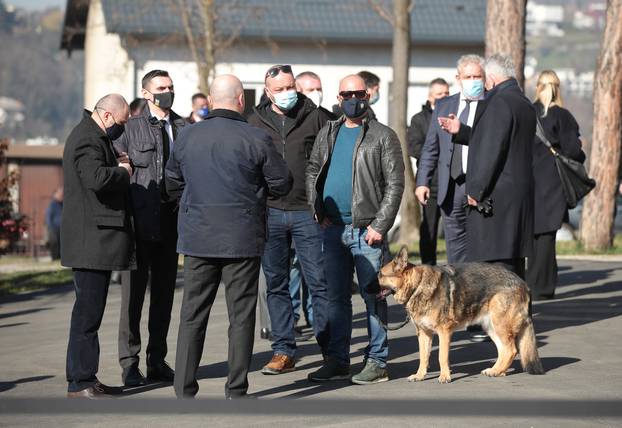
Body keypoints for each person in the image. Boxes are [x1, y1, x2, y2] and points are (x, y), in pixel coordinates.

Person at [166, 75, 292, 399]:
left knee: (192, 315)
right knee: (241, 316)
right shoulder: (256, 137)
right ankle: (236, 389)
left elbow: (171, 183)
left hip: (198, 237)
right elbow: (282, 183)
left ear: (209, 100)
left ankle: (183, 388)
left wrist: (193, 205)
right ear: (241, 101)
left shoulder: (186, 136)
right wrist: (256, 196)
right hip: (242, 236)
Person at [306, 74, 405, 384]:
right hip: (332, 229)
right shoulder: (329, 132)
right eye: (347, 94)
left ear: (368, 95)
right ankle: (338, 359)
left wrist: (380, 225)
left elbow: (396, 184)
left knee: (374, 296)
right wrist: (316, 210)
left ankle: (377, 361)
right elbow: (312, 171)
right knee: (336, 297)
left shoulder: (383, 136)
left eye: (358, 93)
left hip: (367, 231)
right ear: (339, 98)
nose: (352, 99)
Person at [248, 64, 332, 375]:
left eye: (290, 87)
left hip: (307, 213)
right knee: (276, 284)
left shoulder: (317, 116)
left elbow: (331, 162)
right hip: (270, 212)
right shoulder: (254, 122)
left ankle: (330, 350)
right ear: (267, 91)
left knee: (318, 282)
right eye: (279, 89)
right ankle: (283, 349)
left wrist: (324, 207)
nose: (286, 94)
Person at [113, 69, 188, 387]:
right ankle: (130, 364)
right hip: (139, 227)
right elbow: (119, 174)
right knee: (132, 301)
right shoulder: (129, 129)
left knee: (163, 299)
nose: (167, 92)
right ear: (146, 94)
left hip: (172, 226)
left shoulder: (185, 127)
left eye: (170, 87)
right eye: (161, 88)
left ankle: (157, 360)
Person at [61, 94, 134, 398]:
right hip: (91, 240)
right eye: (121, 123)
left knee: (89, 313)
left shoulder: (91, 136)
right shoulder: (88, 139)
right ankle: (80, 382)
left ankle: (85, 377)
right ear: (106, 116)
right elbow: (95, 178)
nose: (122, 128)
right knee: (87, 316)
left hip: (92, 239)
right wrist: (123, 171)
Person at [439, 53, 536, 279]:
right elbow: (501, 140)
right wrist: (462, 132)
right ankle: (518, 313)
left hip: (496, 197)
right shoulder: (522, 102)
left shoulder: (498, 102)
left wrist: (476, 189)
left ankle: (502, 314)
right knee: (513, 266)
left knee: (495, 269)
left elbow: (492, 149)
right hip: (517, 195)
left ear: (490, 78)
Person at [416, 56, 486, 265]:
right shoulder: (444, 105)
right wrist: (422, 182)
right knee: (454, 246)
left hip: (481, 185)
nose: (473, 81)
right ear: (458, 78)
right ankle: (459, 288)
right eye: (468, 76)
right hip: (451, 185)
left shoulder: (492, 104)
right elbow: (431, 147)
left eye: (477, 76)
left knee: (479, 244)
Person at [528, 70, 586, 301]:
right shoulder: (562, 116)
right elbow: (573, 150)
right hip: (552, 183)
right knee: (547, 237)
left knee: (532, 236)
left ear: (538, 87)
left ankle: (529, 283)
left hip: (528, 181)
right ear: (557, 89)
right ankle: (543, 285)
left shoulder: (527, 113)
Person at [407, 78, 449, 265]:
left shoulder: (455, 116)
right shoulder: (418, 119)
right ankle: (428, 265)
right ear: (430, 96)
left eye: (447, 94)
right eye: (440, 94)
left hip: (451, 180)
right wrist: (435, 155)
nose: (444, 97)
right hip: (430, 182)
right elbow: (414, 147)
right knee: (429, 228)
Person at [45, 187, 63, 260]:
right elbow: (48, 216)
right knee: (54, 243)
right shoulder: (52, 204)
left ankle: (60, 257)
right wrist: (50, 227)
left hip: (62, 228)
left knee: (61, 243)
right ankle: (54, 258)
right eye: (60, 194)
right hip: (53, 228)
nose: (62, 195)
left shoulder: (62, 204)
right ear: (55, 194)